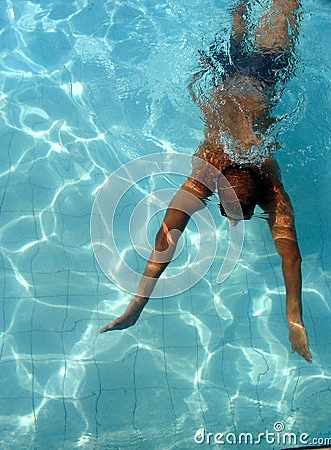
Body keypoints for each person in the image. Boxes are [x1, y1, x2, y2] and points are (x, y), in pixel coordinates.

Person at [100, 0, 312, 364]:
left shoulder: (232, 174)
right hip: (230, 80)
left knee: (280, 16)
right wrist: (138, 303)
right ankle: (243, 12)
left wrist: (296, 320)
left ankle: (250, 9)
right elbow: (166, 239)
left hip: (261, 78)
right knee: (244, 36)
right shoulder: (211, 171)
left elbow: (293, 257)